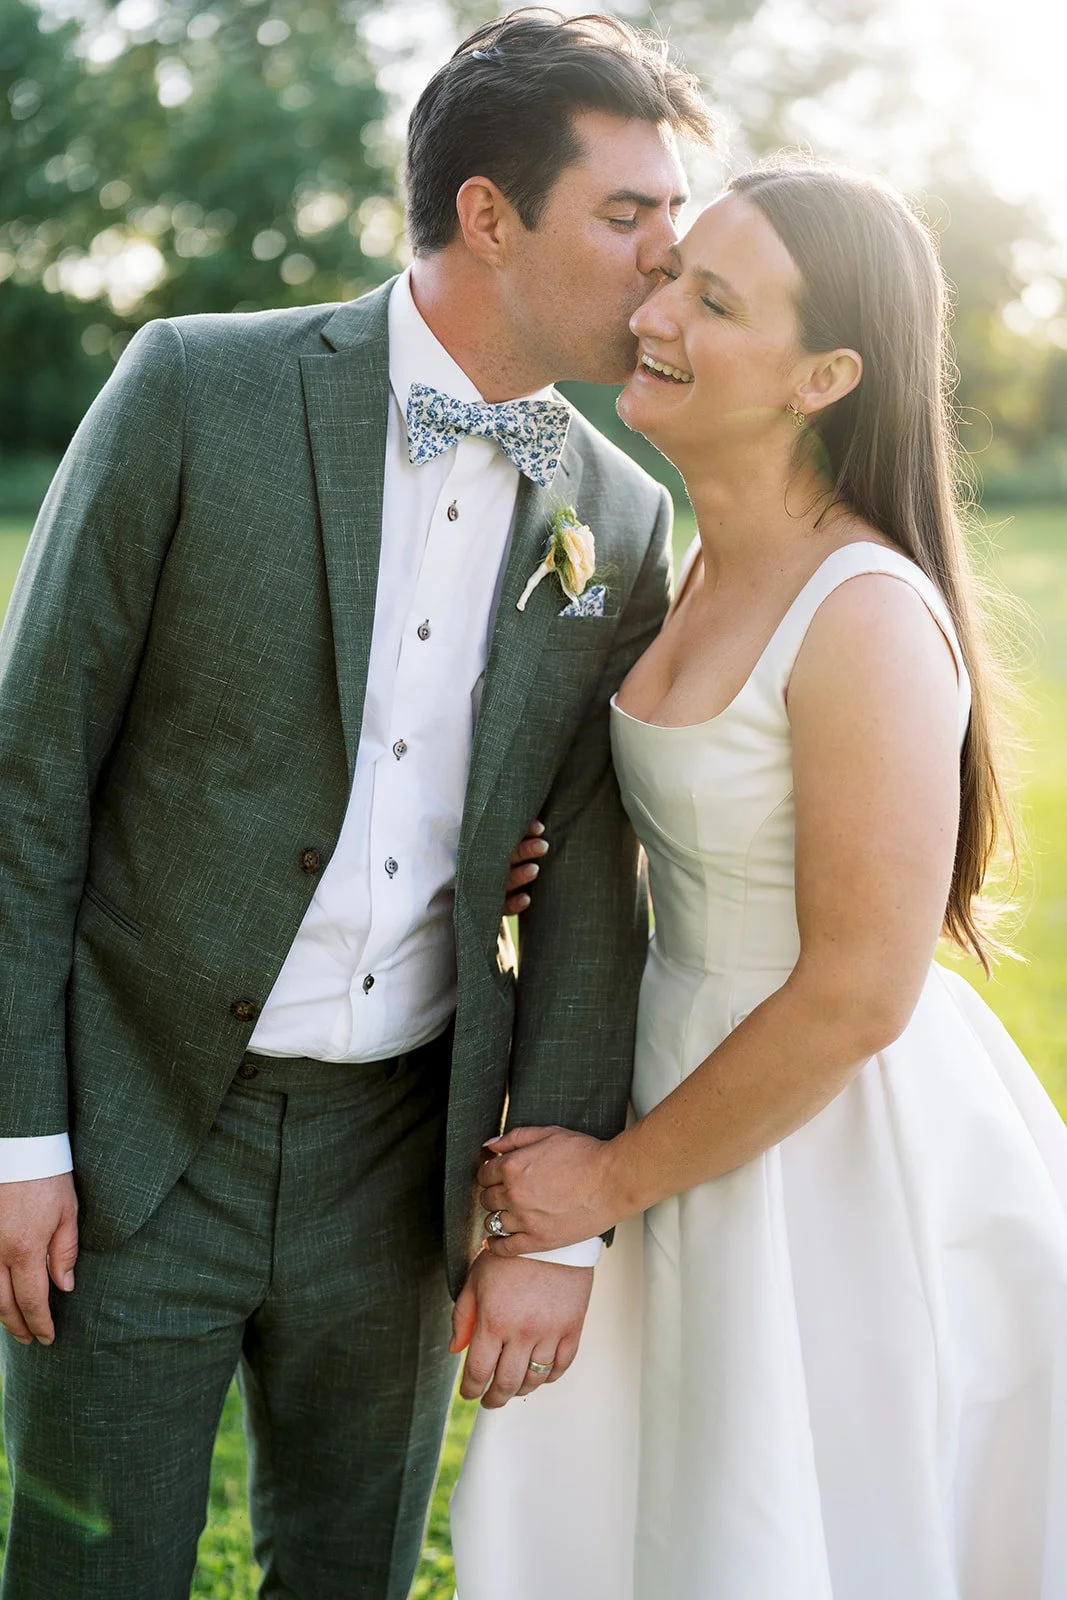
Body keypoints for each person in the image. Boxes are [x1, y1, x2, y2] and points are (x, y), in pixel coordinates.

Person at [0, 12, 714, 1597]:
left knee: (352, 1574)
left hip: (400, 1160)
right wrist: (18, 1137)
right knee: (83, 1575)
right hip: (130, 1136)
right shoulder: (193, 388)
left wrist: (554, 1232)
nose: (666, 265)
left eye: (676, 223)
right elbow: (28, 781)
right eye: (627, 217)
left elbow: (594, 889)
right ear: (486, 213)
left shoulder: (617, 510)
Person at [452, 164, 1067, 1599]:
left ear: (824, 376)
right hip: (679, 1061)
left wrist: (608, 1178)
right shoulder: (682, 561)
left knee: (789, 1519)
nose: (653, 314)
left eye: (711, 301)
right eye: (667, 275)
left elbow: (858, 988)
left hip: (817, 1136)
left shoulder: (857, 610)